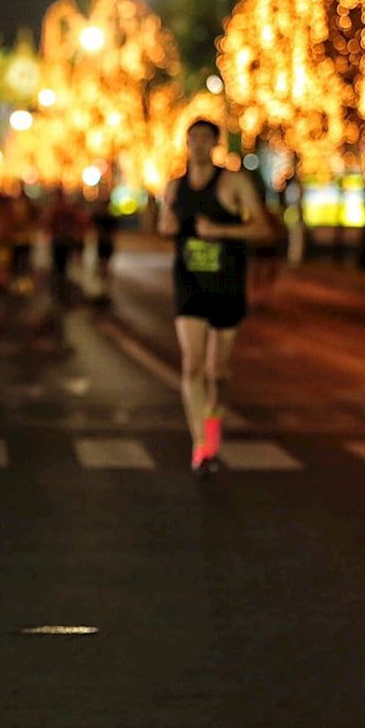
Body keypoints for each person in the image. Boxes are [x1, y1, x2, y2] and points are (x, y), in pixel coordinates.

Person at [158, 120, 274, 475]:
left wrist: (220, 231)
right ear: (186, 143)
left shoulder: (233, 182)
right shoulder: (175, 186)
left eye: (205, 139)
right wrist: (170, 226)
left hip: (226, 284)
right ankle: (201, 445)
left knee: (216, 372)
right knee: (192, 365)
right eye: (192, 139)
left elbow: (263, 229)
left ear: (215, 145)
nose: (197, 145)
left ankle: (213, 419)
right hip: (189, 283)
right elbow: (164, 225)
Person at [46, 188, 89, 303]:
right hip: (60, 241)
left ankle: (61, 288)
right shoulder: (58, 210)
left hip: (63, 241)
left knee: (61, 266)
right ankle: (60, 288)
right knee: (60, 266)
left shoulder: (63, 210)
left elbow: (78, 223)